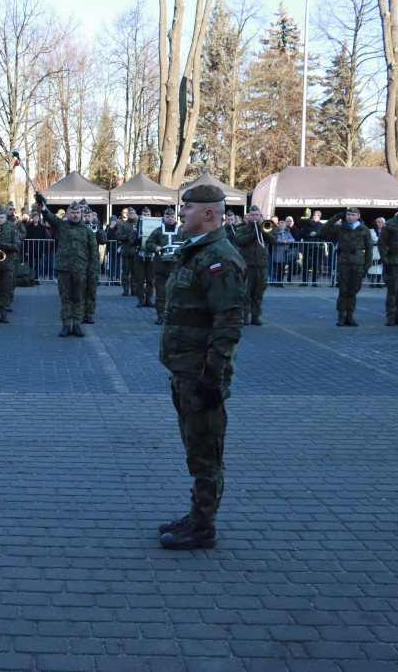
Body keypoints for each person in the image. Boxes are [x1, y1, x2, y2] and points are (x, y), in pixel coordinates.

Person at [157, 184, 246, 550]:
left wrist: (212, 378)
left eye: (187, 208)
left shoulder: (219, 258)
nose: (181, 214)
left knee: (205, 452)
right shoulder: (197, 253)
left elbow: (228, 325)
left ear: (209, 213)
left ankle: (203, 525)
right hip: (186, 369)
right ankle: (197, 513)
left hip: (201, 375)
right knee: (196, 447)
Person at [38, 196, 96, 337]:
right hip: (64, 269)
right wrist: (41, 203)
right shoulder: (61, 225)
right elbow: (47, 214)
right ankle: (65, 325)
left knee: (78, 298)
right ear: (68, 214)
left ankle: (76, 325)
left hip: (80, 269)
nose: (75, 215)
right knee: (65, 298)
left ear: (81, 214)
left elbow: (93, 252)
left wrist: (92, 271)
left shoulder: (87, 230)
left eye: (77, 213)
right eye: (72, 213)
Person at [322, 208, 373, 326]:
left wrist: (367, 265)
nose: (350, 217)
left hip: (358, 262)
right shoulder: (341, 228)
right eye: (348, 214)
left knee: (353, 290)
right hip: (344, 262)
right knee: (343, 290)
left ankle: (350, 316)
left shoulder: (364, 229)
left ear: (358, 216)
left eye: (352, 214)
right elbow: (324, 229)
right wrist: (337, 216)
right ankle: (341, 316)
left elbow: (369, 248)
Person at [231, 204, 277, 325]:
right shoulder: (244, 229)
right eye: (253, 215)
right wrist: (253, 233)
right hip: (248, 265)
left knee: (259, 292)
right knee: (246, 292)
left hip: (261, 265)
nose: (255, 217)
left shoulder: (265, 227)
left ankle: (256, 316)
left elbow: (274, 240)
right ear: (249, 216)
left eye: (257, 215)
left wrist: (264, 231)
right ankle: (245, 316)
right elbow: (239, 240)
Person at [145, 208, 185, 325]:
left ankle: (174, 316)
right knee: (161, 293)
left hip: (177, 267)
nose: (170, 219)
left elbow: (190, 242)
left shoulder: (181, 231)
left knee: (176, 293)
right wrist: (155, 247)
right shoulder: (158, 231)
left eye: (172, 217)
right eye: (168, 217)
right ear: (164, 218)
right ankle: (161, 315)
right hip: (161, 267)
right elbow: (148, 243)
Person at [83, 210, 106, 324]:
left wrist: (98, 229)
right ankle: (81, 313)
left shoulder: (95, 227)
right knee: (80, 289)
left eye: (89, 216)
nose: (87, 218)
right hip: (81, 262)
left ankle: (90, 313)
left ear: (93, 217)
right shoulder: (79, 227)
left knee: (92, 289)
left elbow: (103, 240)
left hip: (92, 262)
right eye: (85, 215)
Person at [134, 208, 156, 308]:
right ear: (141, 215)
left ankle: (149, 299)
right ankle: (140, 300)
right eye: (144, 214)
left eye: (148, 214)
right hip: (140, 255)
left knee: (150, 279)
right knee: (140, 279)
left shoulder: (156, 225)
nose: (146, 216)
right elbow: (132, 239)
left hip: (151, 256)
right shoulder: (137, 225)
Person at [115, 208, 139, 297]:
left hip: (136, 253)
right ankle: (125, 290)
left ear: (135, 214)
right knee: (125, 273)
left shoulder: (139, 224)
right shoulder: (123, 224)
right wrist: (127, 236)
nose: (131, 214)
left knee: (135, 273)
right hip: (126, 252)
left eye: (133, 213)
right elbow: (117, 236)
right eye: (130, 213)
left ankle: (134, 290)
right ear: (127, 214)